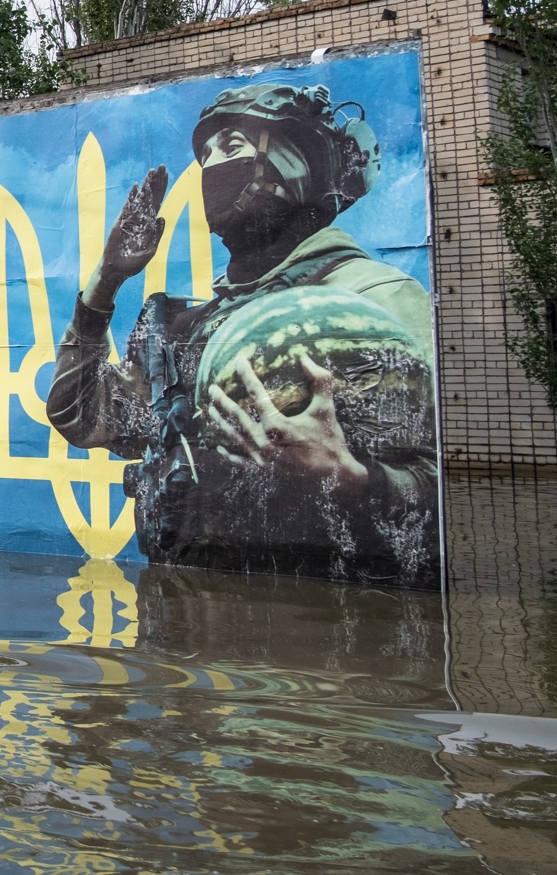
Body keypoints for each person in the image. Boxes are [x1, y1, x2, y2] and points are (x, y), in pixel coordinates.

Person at [45, 83, 439, 585]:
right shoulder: (188, 328)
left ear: (300, 163)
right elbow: (78, 417)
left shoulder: (374, 299)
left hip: (316, 638)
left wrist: (355, 484)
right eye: (205, 156)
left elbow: (441, 501)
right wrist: (107, 281)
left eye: (231, 147)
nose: (212, 169)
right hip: (177, 630)